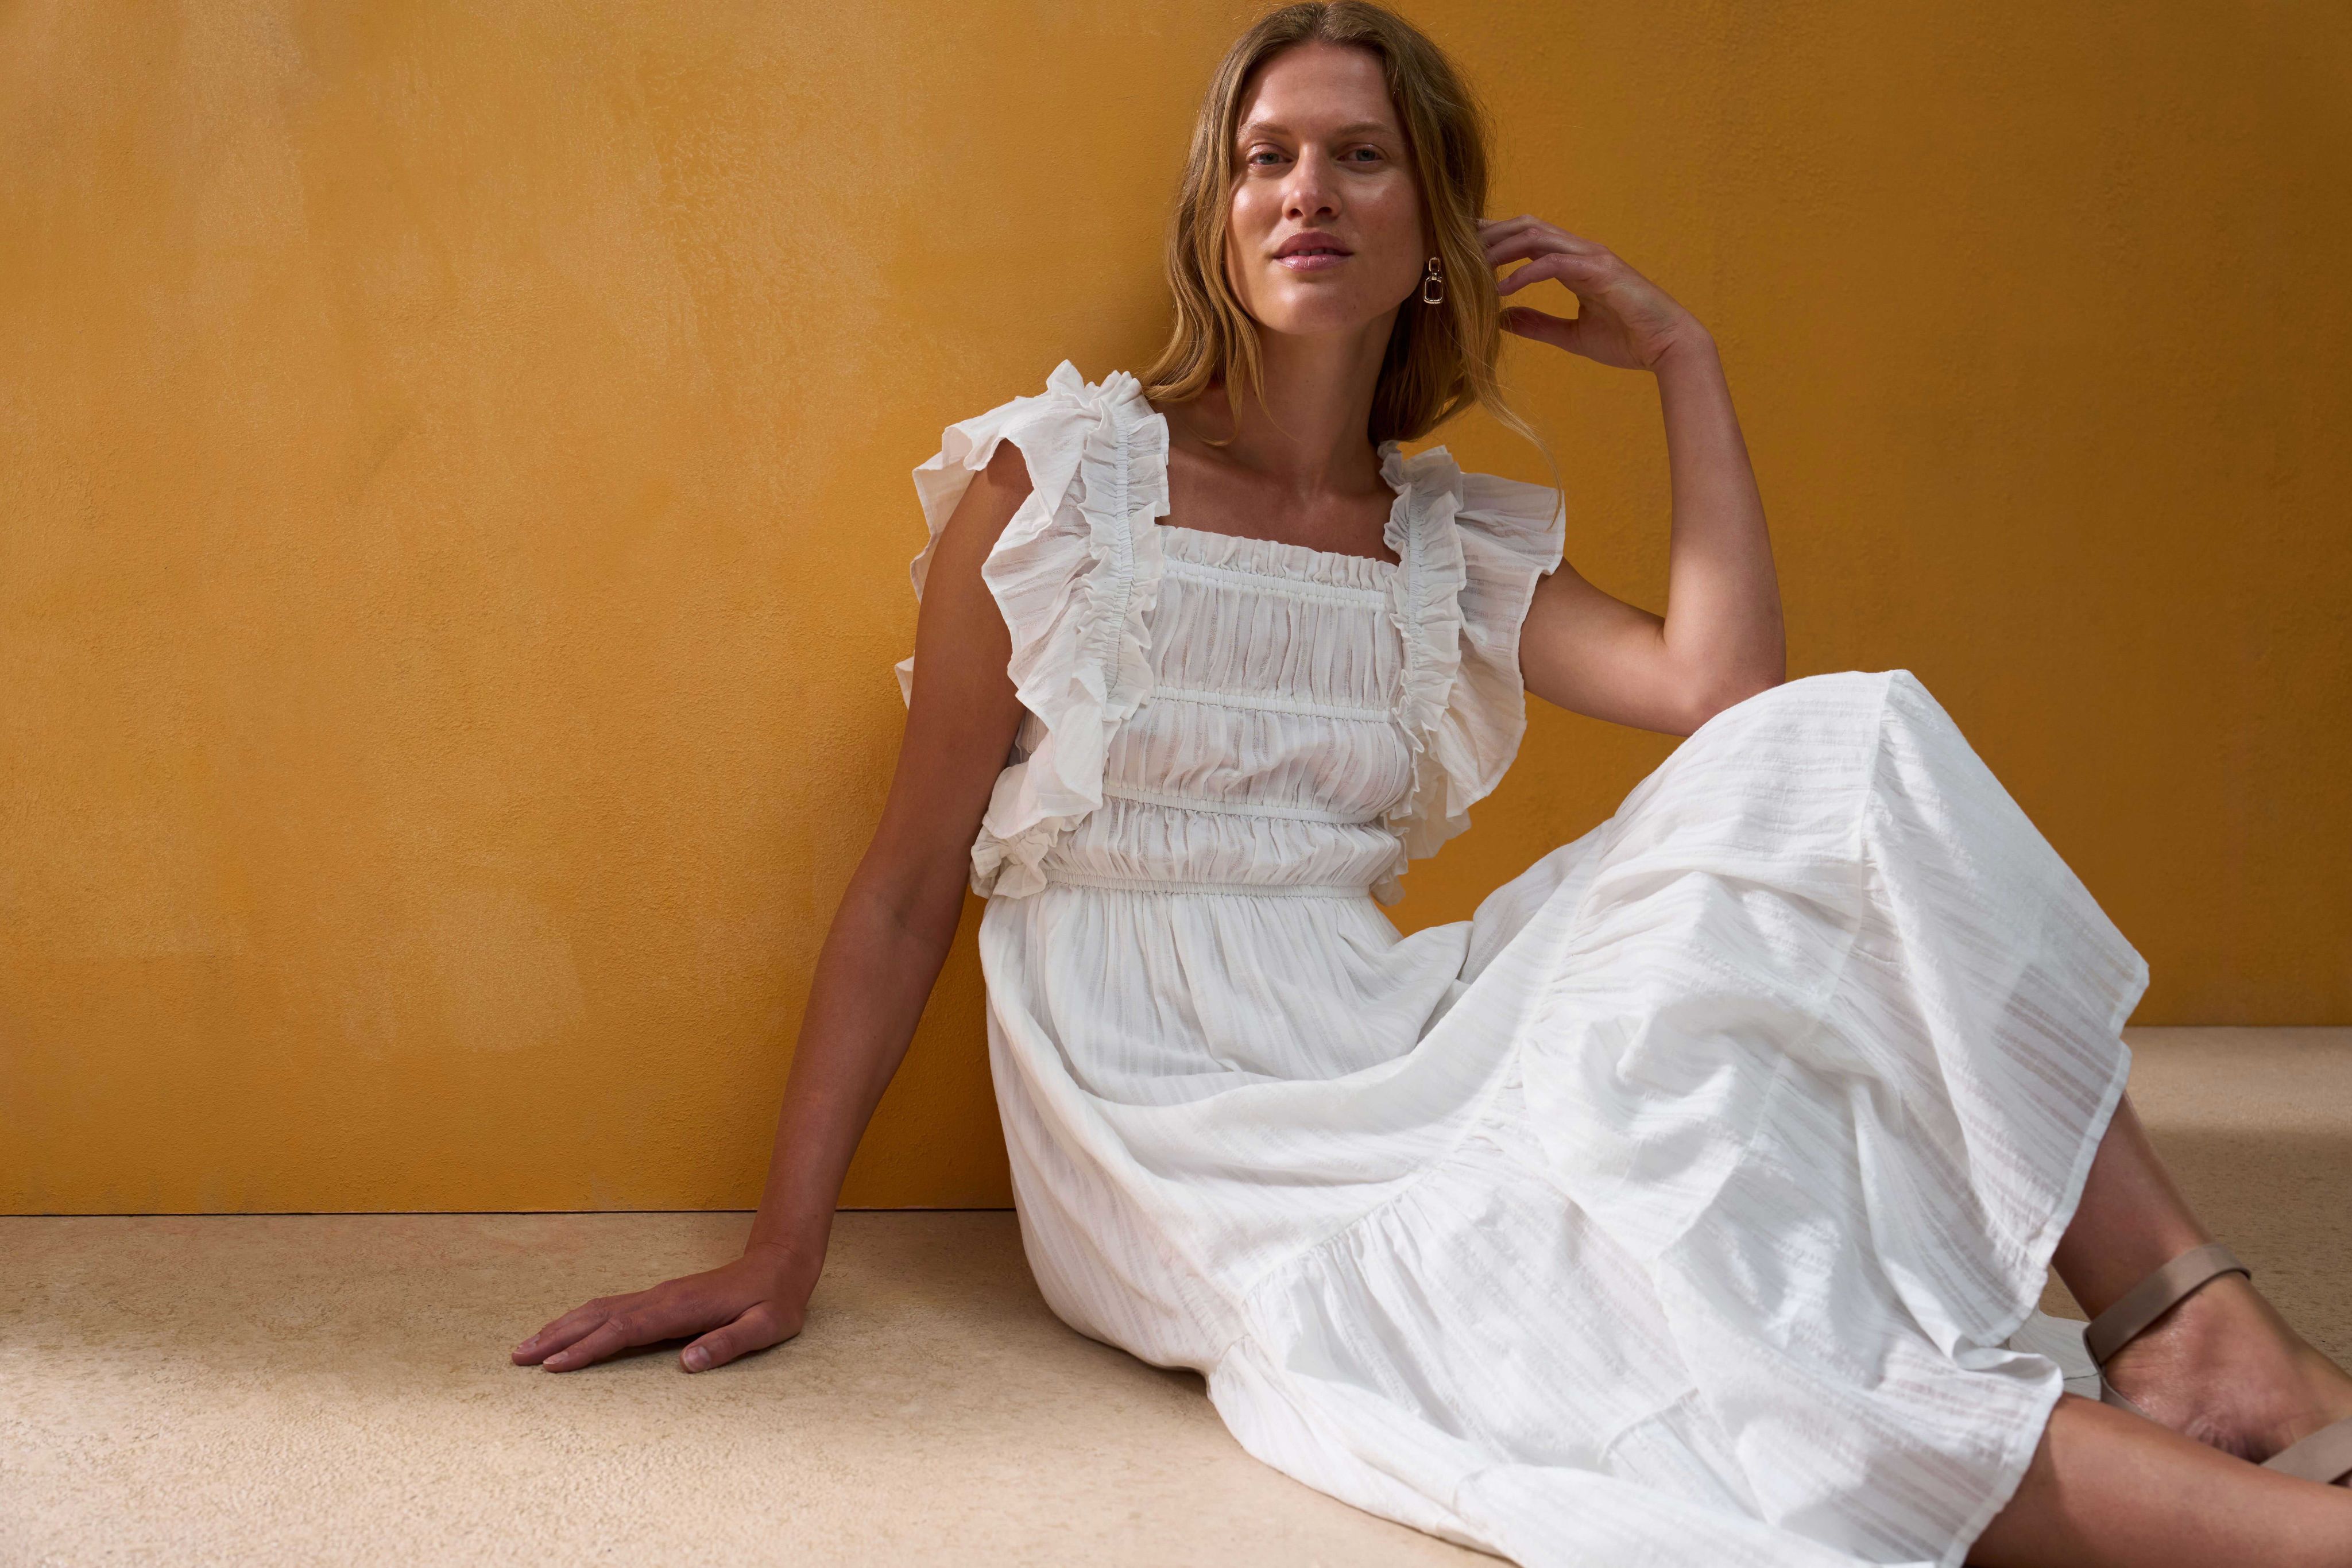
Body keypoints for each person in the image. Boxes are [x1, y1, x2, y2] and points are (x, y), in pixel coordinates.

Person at [510, 4, 2352, 1563]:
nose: (1304, 190)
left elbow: (1735, 700)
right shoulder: (1061, 484)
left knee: (1841, 763)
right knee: (1598, 1267)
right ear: (1219, 217)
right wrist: (784, 1239)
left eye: (1360, 158)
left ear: (1436, 224)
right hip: (1169, 1100)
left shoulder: (1442, 546)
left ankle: (2181, 1318)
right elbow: (915, 879)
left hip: (1382, 1015)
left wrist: (1688, 366)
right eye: (1265, 159)